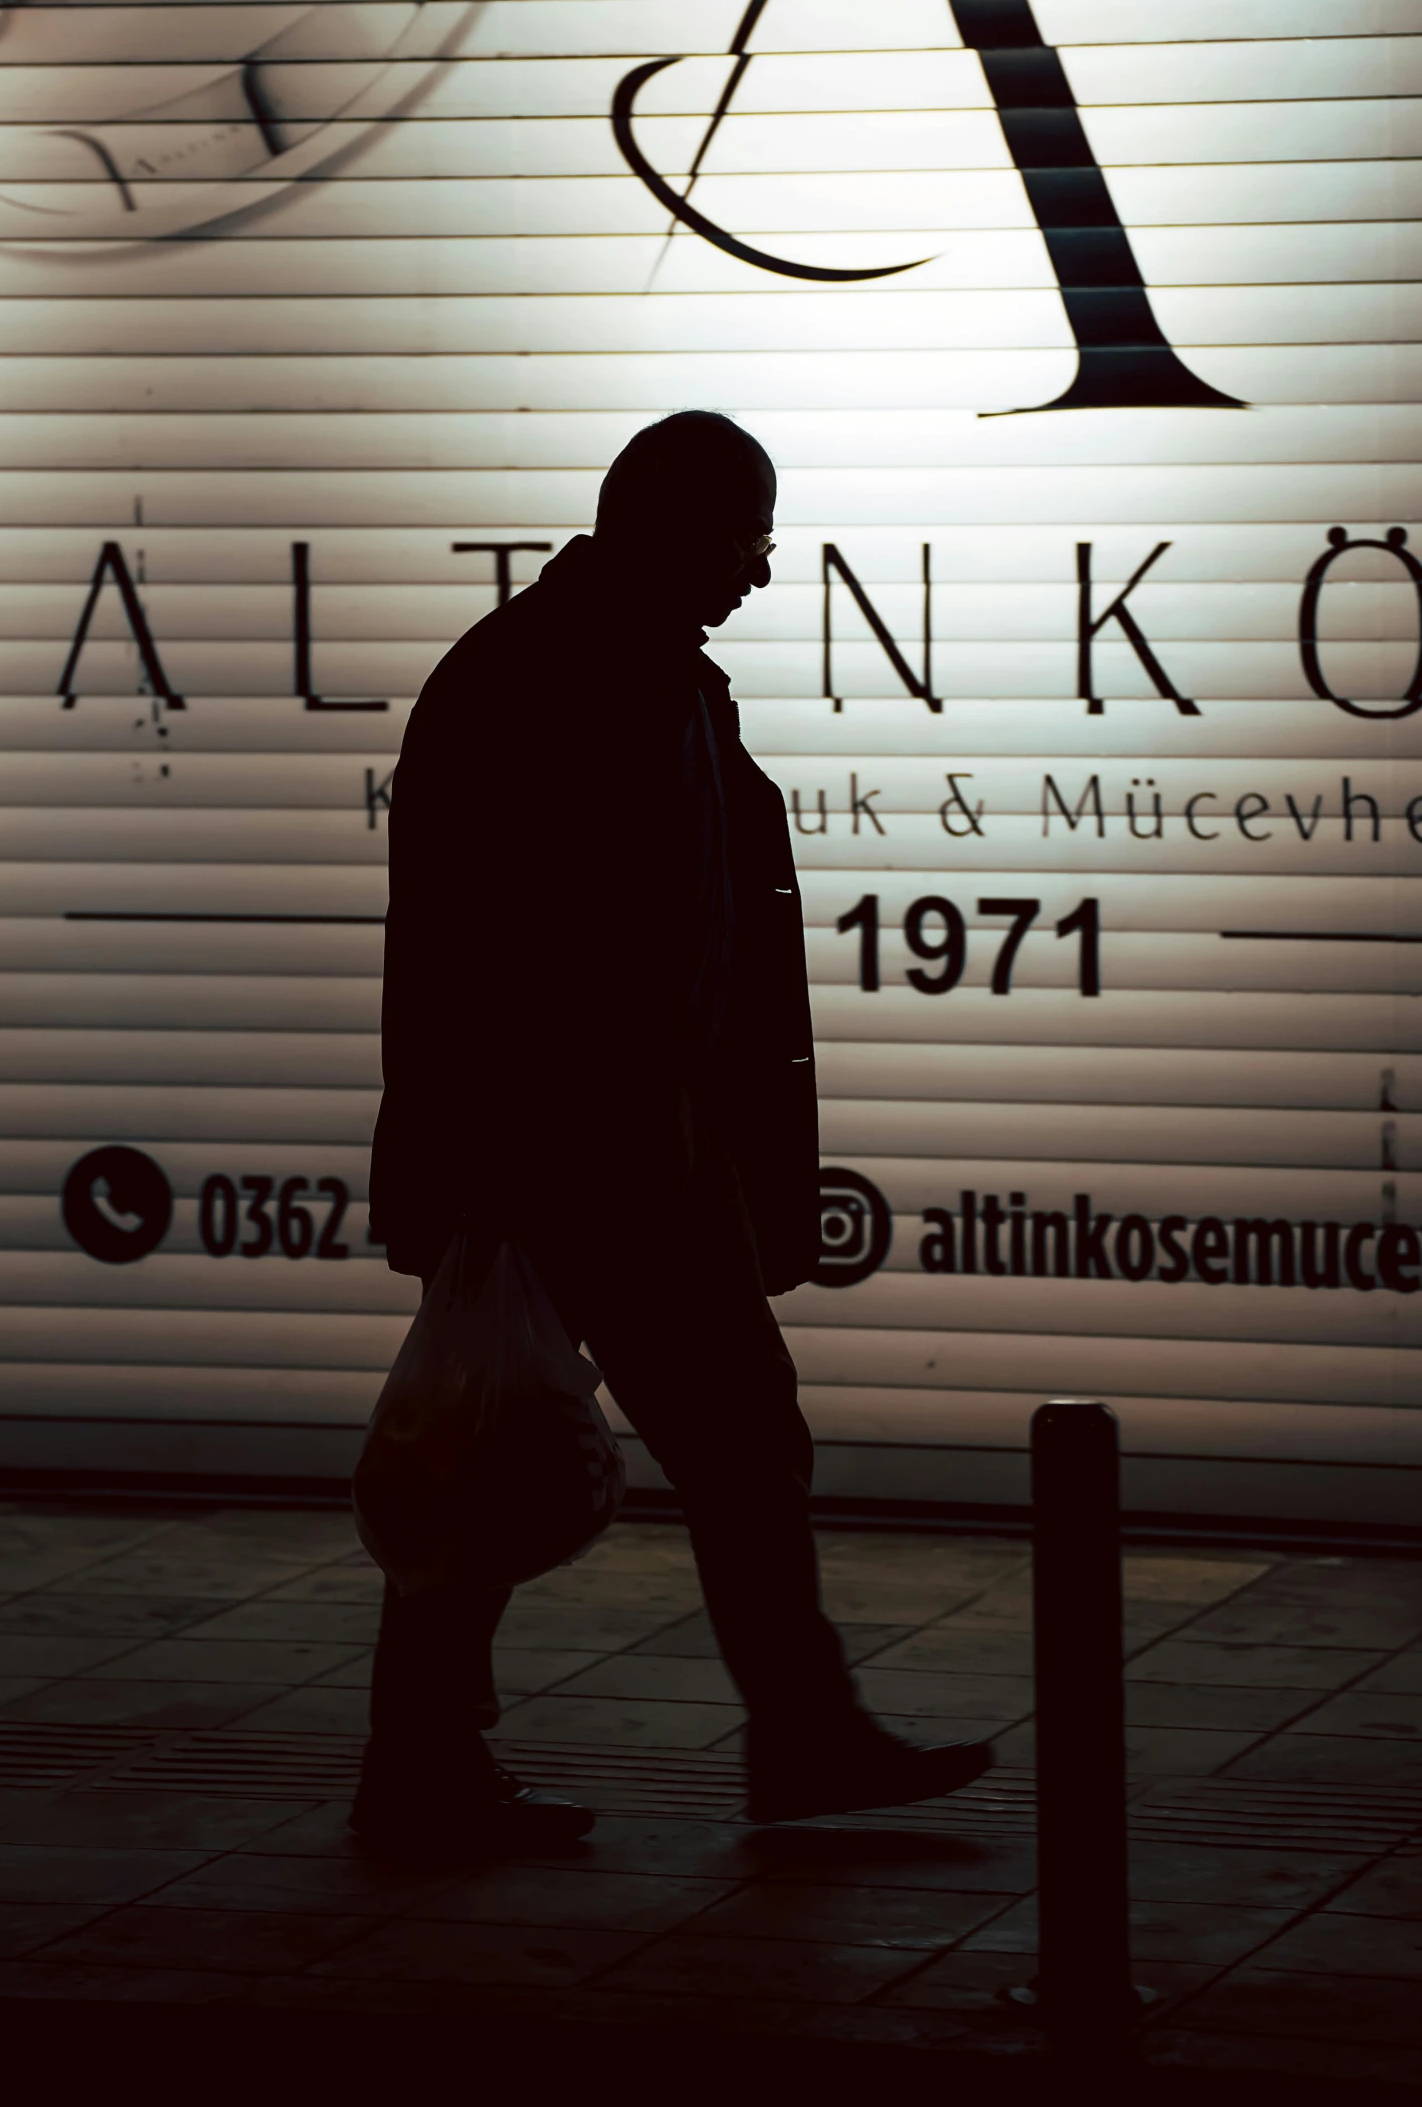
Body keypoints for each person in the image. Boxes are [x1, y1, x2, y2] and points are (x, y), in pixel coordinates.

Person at [359, 411, 993, 1848]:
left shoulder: (605, 671)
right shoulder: (566, 680)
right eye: (747, 537)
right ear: (672, 521)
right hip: (593, 1165)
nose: (760, 574)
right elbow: (511, 959)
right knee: (674, 1439)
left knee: (513, 1446)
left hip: (611, 1157)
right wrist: (537, 1169)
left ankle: (431, 1765)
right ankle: (794, 1736)